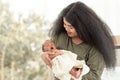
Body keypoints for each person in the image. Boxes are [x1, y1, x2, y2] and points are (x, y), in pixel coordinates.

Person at [41, 1, 116, 80]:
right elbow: (51, 55)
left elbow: (94, 76)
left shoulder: (95, 47)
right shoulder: (60, 37)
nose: (66, 29)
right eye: (64, 24)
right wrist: (44, 56)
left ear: (83, 26)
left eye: (71, 27)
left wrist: (69, 77)